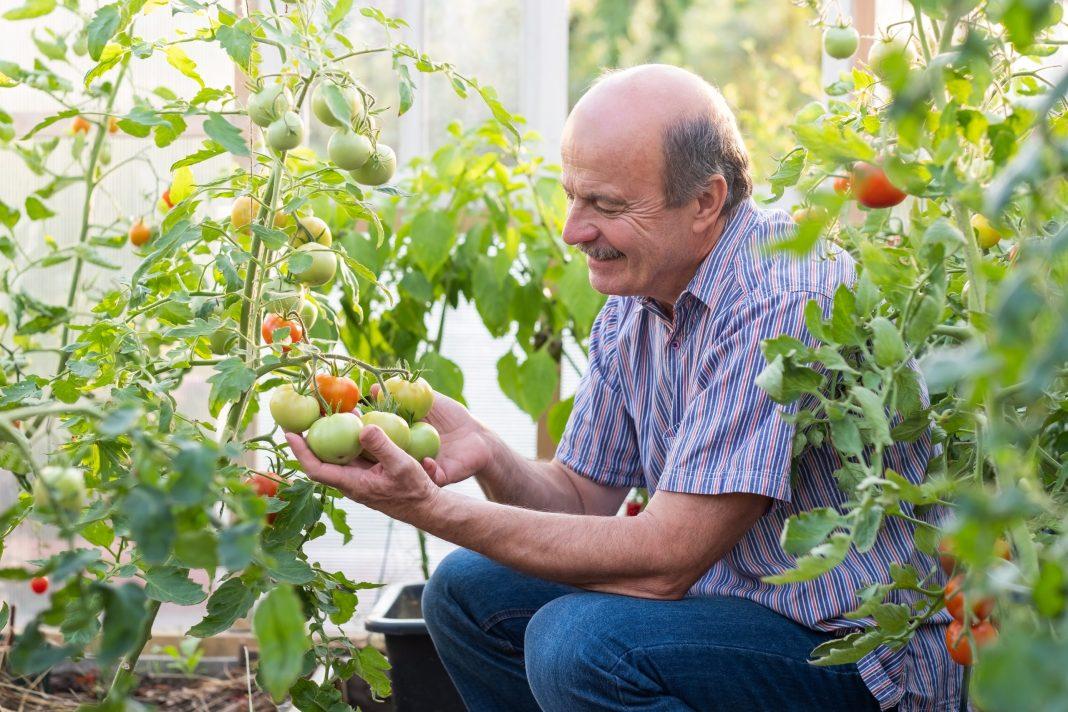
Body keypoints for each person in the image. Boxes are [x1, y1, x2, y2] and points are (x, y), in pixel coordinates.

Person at [286, 64, 960, 711]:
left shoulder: (782, 301)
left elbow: (667, 559)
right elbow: (582, 500)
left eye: (605, 206)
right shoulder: (637, 304)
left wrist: (429, 508)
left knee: (577, 644)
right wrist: (488, 450)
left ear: (704, 202)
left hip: (854, 656)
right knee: (465, 593)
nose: (574, 231)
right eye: (573, 196)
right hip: (731, 606)